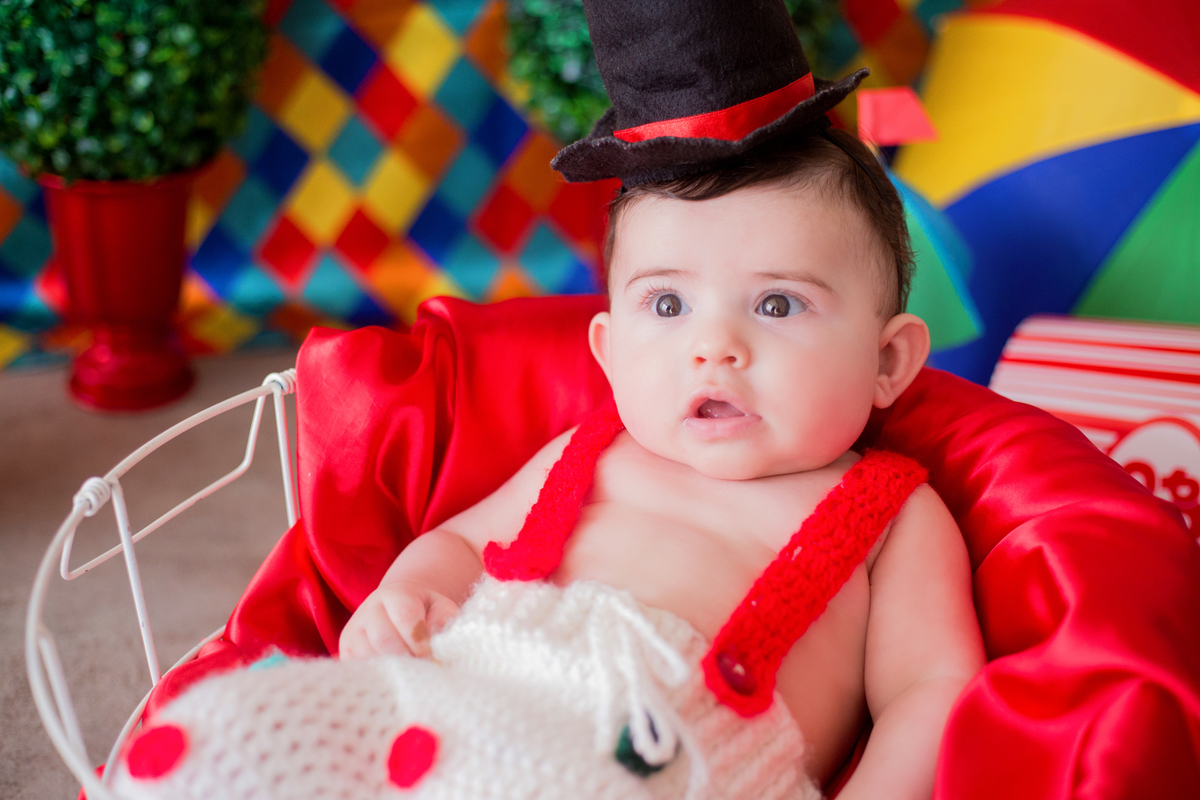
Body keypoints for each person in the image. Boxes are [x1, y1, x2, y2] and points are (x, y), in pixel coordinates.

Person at [338, 2, 985, 795]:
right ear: (609, 353)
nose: (714, 348)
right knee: (253, 740)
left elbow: (931, 692)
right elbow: (463, 548)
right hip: (475, 709)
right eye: (669, 305)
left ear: (888, 359)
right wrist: (405, 598)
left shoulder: (892, 515)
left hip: (682, 766)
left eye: (777, 305)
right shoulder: (591, 455)